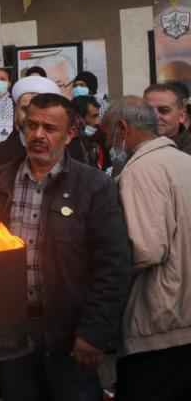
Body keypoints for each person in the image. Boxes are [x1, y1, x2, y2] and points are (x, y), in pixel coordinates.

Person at [0, 93, 131, 401]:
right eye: (31, 126)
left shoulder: (94, 187)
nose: (38, 135)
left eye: (49, 128)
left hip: (69, 334)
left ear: (70, 133)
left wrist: (94, 333)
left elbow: (113, 265)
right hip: (12, 332)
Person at [102, 97, 191, 401]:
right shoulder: (184, 162)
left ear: (122, 128)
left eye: (107, 133)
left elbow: (145, 249)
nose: (108, 142)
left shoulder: (140, 171)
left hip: (160, 324)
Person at [0, 75, 61, 172]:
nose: (31, 117)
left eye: (39, 110)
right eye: (25, 109)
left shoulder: (66, 152)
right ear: (16, 113)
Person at [144, 83, 191, 154]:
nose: (155, 116)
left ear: (182, 116)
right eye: (148, 110)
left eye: (164, 110)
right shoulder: (131, 145)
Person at [68, 96, 110, 172]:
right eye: (94, 116)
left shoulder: (100, 138)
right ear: (78, 118)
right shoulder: (70, 146)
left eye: (98, 116)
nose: (98, 122)